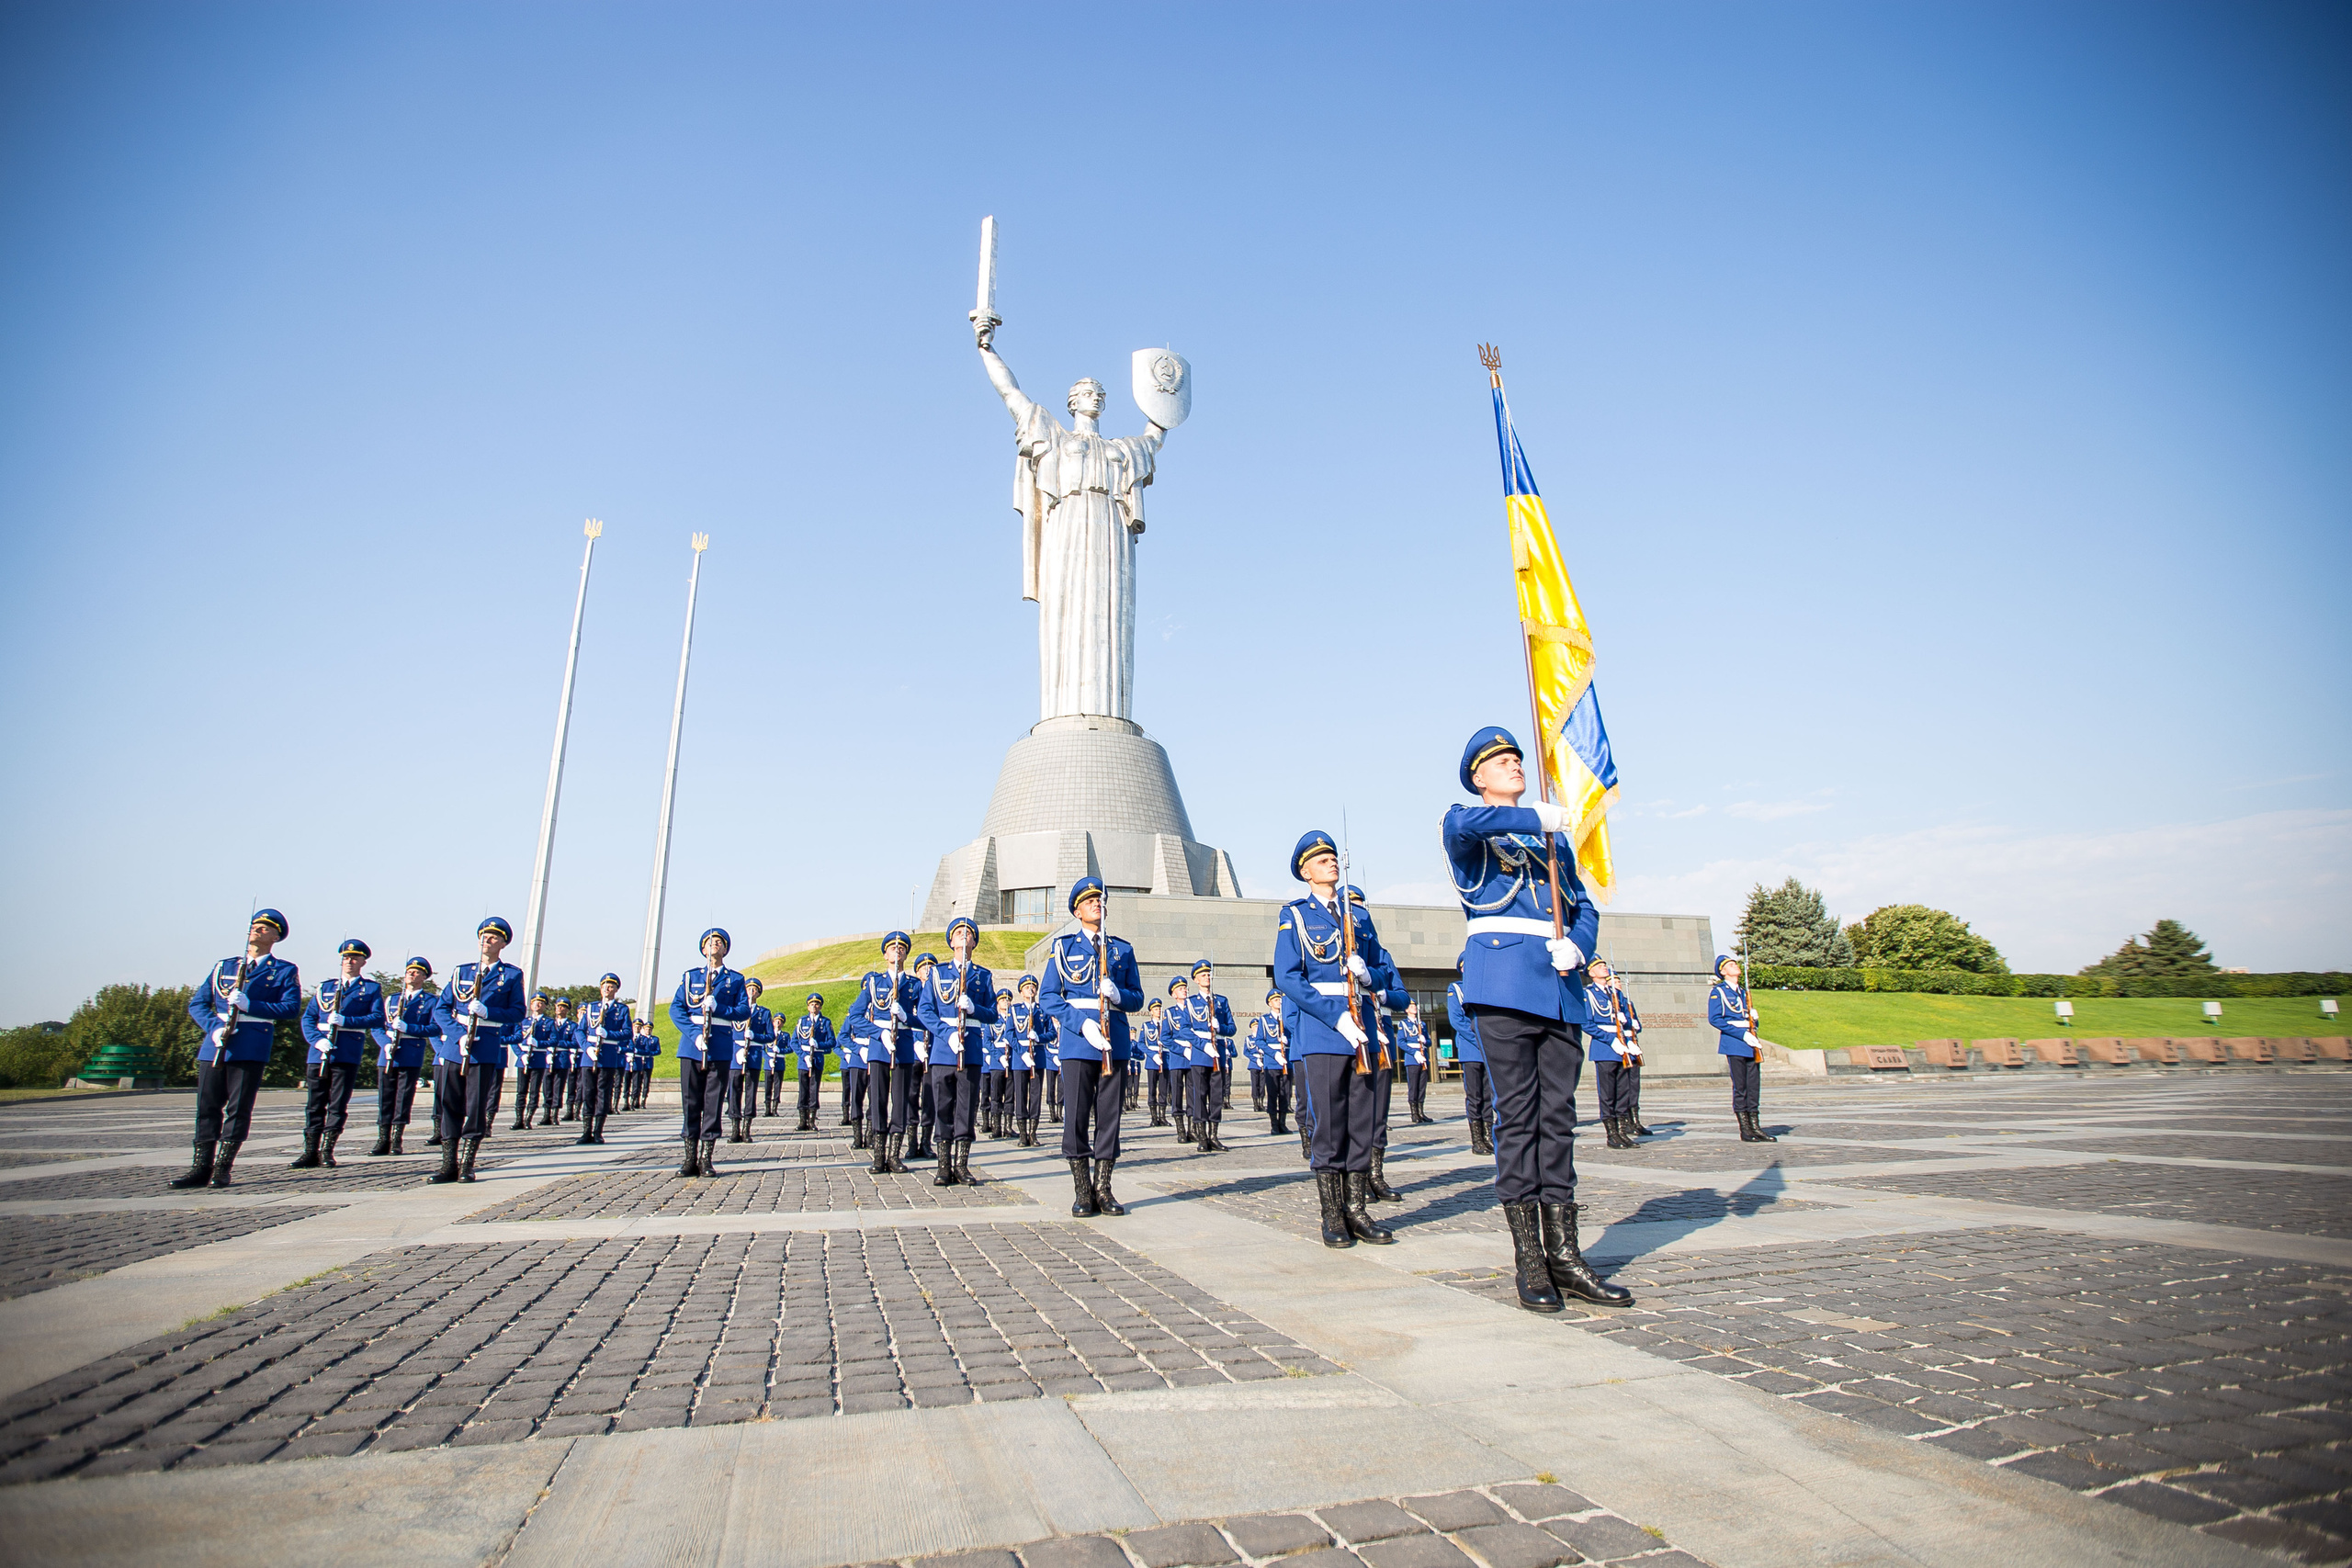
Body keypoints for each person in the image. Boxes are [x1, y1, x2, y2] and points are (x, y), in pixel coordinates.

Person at [1442, 727, 1632, 1310]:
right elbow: (1465, 828)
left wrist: (1578, 943)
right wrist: (1537, 818)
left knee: (1558, 1120)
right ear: (1478, 778)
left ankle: (1565, 1257)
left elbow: (1583, 904)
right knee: (1519, 1118)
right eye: (1500, 761)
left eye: (1517, 758)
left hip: (1559, 986)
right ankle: (1530, 1259)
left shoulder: (1554, 842)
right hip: (1503, 986)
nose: (1515, 765)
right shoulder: (1465, 823)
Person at [1274, 832, 1397, 1247]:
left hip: (1363, 1028)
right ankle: (1332, 1214)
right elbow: (1287, 977)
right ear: (1306, 872)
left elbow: (1382, 971)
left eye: (1332, 857)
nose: (1331, 862)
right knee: (1328, 1124)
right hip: (1324, 1030)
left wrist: (1368, 976)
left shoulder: (1358, 917)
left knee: (1362, 1122)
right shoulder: (1295, 916)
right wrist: (1335, 1016)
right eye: (1321, 859)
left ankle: (1356, 1210)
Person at [174, 908, 302, 1190]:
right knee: (207, 1107)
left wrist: (250, 1005)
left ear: (276, 937)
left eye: (265, 928)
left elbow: (290, 1008)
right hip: (216, 1042)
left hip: (250, 1044)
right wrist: (213, 1027)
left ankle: (223, 1168)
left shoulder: (284, 970)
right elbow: (198, 1004)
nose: (257, 930)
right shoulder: (225, 967)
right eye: (255, 925)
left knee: (238, 1108)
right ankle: (200, 1167)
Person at [1037, 876, 1142, 1216]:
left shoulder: (1122, 949)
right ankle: (1082, 1190)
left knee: (1110, 1117)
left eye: (1100, 900)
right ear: (1077, 911)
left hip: (1114, 1041)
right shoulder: (1063, 948)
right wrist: (1081, 1024)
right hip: (1079, 1040)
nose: (1097, 904)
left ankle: (1104, 1188)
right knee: (1077, 1116)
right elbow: (1048, 997)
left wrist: (1118, 995)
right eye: (1090, 901)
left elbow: (1137, 998)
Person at [426, 917, 526, 1183]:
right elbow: (441, 1009)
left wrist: (488, 1012)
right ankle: (448, 1164)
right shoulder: (462, 972)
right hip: (455, 1047)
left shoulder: (511, 975)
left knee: (476, 1105)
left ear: (503, 943)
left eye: (493, 937)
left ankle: (467, 1164)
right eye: (484, 936)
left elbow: (518, 1012)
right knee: (449, 1104)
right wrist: (458, 1035)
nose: (487, 940)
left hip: (485, 1046)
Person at [916, 917, 999, 1185]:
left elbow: (993, 1014)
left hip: (971, 1050)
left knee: (966, 1108)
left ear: (975, 942)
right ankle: (943, 1166)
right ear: (951, 941)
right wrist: (947, 1034)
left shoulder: (983, 976)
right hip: (943, 1049)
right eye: (959, 933)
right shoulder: (938, 973)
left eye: (969, 933)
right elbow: (925, 1011)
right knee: (942, 1107)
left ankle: (961, 1165)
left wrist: (975, 1008)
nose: (964, 936)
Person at [670, 927, 752, 1177]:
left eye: (719, 942)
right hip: (692, 1047)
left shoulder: (735, 979)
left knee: (713, 1103)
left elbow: (743, 1011)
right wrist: (694, 1035)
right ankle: (689, 1158)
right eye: (710, 942)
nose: (714, 945)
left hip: (719, 1048)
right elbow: (676, 1010)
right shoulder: (690, 977)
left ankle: (706, 1158)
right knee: (690, 1102)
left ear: (725, 949)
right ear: (703, 948)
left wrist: (719, 1008)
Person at [293, 938, 382, 1168]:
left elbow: (377, 1018)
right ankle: (310, 1150)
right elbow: (308, 1018)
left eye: (354, 958)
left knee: (337, 1103)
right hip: (319, 1052)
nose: (349, 961)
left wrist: (346, 1021)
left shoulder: (371, 988)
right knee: (315, 1103)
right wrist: (317, 1041)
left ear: (363, 962)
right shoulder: (325, 987)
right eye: (346, 957)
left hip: (346, 1051)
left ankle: (327, 1150)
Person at [848, 933, 922, 1173]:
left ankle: (894, 1155)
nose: (897, 951)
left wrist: (906, 1017)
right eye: (892, 948)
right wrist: (877, 1033)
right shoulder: (873, 983)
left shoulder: (914, 985)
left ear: (906, 954)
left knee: (900, 1100)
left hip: (903, 1046)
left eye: (901, 948)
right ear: (885, 954)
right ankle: (879, 1156)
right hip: (879, 1047)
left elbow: (925, 1017)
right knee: (878, 1099)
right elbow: (855, 1016)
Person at [369, 957, 437, 1156]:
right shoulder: (392, 999)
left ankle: (396, 1138)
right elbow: (377, 1026)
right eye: (409, 971)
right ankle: (383, 1138)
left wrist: (409, 1028)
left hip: (410, 1052)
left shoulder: (430, 1001)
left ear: (424, 977)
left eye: (417, 972)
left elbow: (434, 1028)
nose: (412, 975)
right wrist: (385, 1043)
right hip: (388, 1053)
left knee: (403, 1098)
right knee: (385, 1097)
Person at [1710, 955, 1773, 1142]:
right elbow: (1715, 1019)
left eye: (1735, 964)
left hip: (1750, 1042)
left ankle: (1755, 1126)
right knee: (1741, 1087)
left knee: (1753, 1086)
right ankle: (1745, 1129)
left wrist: (1755, 1020)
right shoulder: (1719, 992)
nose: (1735, 966)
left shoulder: (1743, 992)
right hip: (1734, 1043)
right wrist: (1742, 1035)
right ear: (1723, 972)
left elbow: (1747, 1019)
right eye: (1731, 965)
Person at [1446, 961, 1491, 1156]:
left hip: (1487, 1049)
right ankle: (1477, 1140)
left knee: (1489, 1095)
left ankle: (1488, 1136)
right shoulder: (1457, 988)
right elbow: (1457, 1020)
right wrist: (1479, 1039)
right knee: (1475, 1096)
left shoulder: (1484, 987)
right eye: (1465, 965)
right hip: (1471, 1048)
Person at [580, 973, 631, 1145]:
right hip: (589, 1056)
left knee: (603, 1093)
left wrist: (609, 1034)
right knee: (588, 1092)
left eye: (610, 987)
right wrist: (587, 1048)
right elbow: (580, 1031)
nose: (607, 989)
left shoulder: (621, 1009)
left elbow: (627, 1033)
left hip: (608, 1055)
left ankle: (598, 1131)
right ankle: (586, 1131)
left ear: (616, 989)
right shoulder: (591, 1007)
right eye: (604, 986)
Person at [1006, 974, 1049, 1147]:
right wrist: (1022, 1053)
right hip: (1020, 1058)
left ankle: (1033, 1133)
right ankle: (1023, 1134)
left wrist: (1039, 1037)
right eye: (1026, 988)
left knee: (1036, 1096)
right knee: (1021, 1095)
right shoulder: (1014, 1010)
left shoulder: (1042, 1011)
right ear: (1021, 992)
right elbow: (1009, 1034)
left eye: (1033, 987)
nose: (1030, 990)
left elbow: (1052, 1033)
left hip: (1037, 1057)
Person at [907, 953, 942, 1164]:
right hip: (913, 1051)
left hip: (933, 1048)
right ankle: (911, 1142)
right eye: (924, 968)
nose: (927, 971)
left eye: (931, 968)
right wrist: (914, 1042)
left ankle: (926, 1142)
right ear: (917, 972)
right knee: (911, 1096)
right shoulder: (911, 992)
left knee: (930, 1097)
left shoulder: (940, 993)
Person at [732, 976, 775, 1144]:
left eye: (754, 989)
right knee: (734, 1090)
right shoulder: (736, 1009)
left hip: (754, 1053)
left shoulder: (764, 1013)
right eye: (748, 989)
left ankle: (746, 1128)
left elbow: (770, 1036)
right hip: (736, 1054)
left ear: (758, 993)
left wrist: (755, 1036)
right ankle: (735, 1128)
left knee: (751, 1091)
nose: (751, 992)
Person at [1251, 990, 1293, 1136]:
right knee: (1273, 1093)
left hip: (1286, 1061)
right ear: (1269, 1003)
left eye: (1280, 999)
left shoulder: (1287, 1018)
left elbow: (1294, 1036)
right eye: (1275, 1000)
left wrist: (1288, 1040)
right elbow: (1259, 1041)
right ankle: (1274, 1124)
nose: (1279, 1002)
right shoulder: (1264, 1020)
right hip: (1272, 1061)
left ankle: (1283, 1123)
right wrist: (1274, 1054)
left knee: (1286, 1094)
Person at [791, 993, 834, 1131]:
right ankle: (802, 1120)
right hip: (804, 1060)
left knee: (814, 1089)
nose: (814, 1006)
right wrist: (803, 1056)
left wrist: (818, 1044)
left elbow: (832, 1041)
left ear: (820, 1007)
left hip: (817, 1058)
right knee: (803, 1089)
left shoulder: (825, 1022)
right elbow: (794, 1042)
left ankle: (811, 1120)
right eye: (811, 1004)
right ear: (808, 1007)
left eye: (816, 1004)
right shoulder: (802, 1021)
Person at [514, 993, 554, 1130]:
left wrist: (539, 1043)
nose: (537, 1005)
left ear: (545, 1006)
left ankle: (528, 1119)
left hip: (538, 1058)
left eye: (541, 1003)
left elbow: (554, 1040)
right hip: (523, 1059)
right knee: (521, 1091)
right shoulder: (523, 1021)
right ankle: (518, 1119)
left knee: (534, 1091)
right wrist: (521, 1055)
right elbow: (515, 1040)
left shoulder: (549, 1023)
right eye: (535, 1003)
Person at [982, 987, 1013, 1138]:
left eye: (1008, 1000)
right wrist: (999, 1057)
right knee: (995, 1096)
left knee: (1010, 1096)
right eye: (1002, 1000)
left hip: (1012, 1061)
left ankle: (1008, 1127)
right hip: (997, 1062)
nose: (1005, 1002)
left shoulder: (1014, 1019)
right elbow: (987, 1041)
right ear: (997, 1003)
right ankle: (996, 1127)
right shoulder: (992, 1020)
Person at [1398, 1002, 1432, 1125]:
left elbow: (1429, 1042)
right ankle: (1414, 1113)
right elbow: (1401, 1042)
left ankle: (1421, 1112)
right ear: (1406, 1010)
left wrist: (1425, 1041)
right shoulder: (1403, 1024)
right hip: (1412, 1058)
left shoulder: (1421, 1024)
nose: (1415, 1008)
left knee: (1422, 1086)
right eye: (1412, 1006)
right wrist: (1414, 1053)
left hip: (1423, 1057)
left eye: (1415, 1006)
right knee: (1413, 1086)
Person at [1139, 998, 1168, 1126]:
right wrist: (1152, 1055)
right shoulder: (1146, 1026)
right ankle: (1154, 1117)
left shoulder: (1166, 1025)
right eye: (1156, 1009)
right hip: (1152, 1061)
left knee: (1163, 1089)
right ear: (1151, 1012)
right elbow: (1141, 1044)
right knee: (1152, 1090)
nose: (1158, 1011)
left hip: (1165, 1060)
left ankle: (1162, 1117)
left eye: (1159, 1009)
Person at [630, 1013, 662, 1110]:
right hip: (639, 1062)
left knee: (646, 1083)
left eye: (649, 1029)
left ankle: (643, 1100)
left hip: (648, 1062)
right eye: (646, 1029)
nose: (648, 1030)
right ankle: (636, 1100)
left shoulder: (654, 1039)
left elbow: (658, 1051)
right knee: (637, 1082)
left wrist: (650, 1054)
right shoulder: (642, 1039)